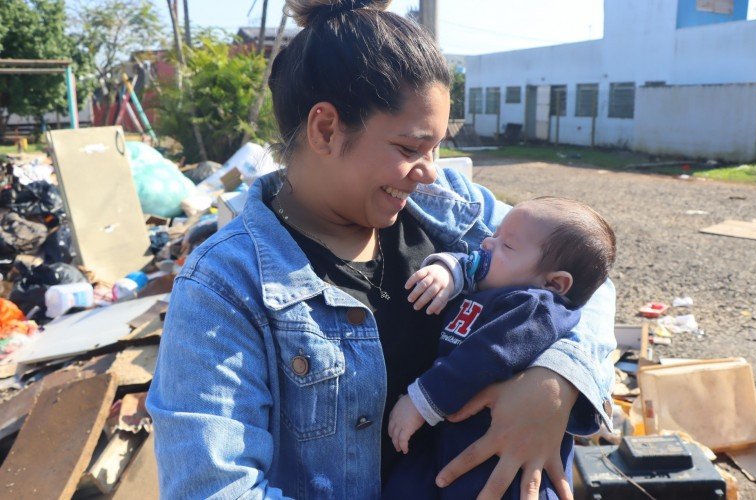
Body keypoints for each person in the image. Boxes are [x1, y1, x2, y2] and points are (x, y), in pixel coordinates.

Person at [146, 1, 618, 499]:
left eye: (436, 148)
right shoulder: (225, 286)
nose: (431, 171)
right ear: (325, 129)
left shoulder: (448, 206)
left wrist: (555, 381)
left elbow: (584, 274)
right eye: (410, 148)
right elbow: (215, 488)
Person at [385, 197, 617, 499]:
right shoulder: (497, 284)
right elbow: (467, 263)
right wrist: (446, 271)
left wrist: (421, 400)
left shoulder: (536, 308)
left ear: (555, 284)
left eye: (506, 246)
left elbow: (486, 355)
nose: (486, 244)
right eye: (494, 235)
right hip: (450, 438)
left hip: (500, 461)